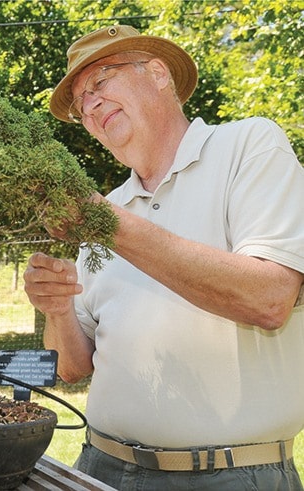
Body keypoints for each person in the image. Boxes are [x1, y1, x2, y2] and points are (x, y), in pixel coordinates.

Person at [24, 24, 304, 490]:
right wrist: (56, 310)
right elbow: (72, 367)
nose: (89, 105)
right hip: (102, 467)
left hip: (230, 476)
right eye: (79, 103)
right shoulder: (107, 210)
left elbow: (270, 297)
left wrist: (109, 224)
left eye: (100, 82)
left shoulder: (250, 146)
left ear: (157, 74)